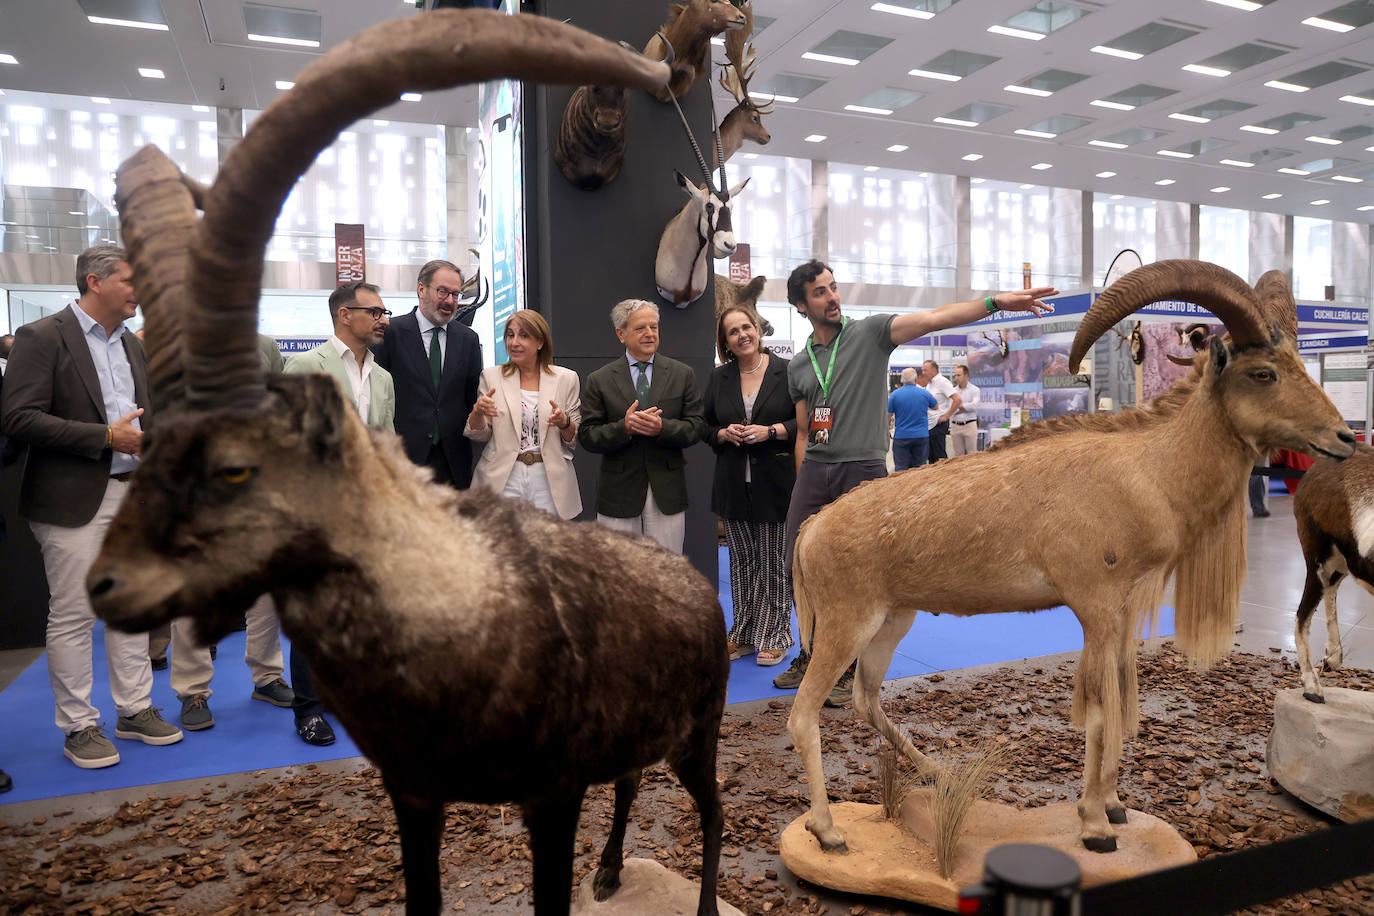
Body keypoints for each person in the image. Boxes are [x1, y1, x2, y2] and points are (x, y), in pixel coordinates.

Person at [774, 260, 1056, 705]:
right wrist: (801, 478)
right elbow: (806, 430)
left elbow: (934, 317)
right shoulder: (799, 367)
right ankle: (812, 654)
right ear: (800, 305)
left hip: (862, 471)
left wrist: (995, 303)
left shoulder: (869, 334)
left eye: (833, 287)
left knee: (867, 573)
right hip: (814, 471)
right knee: (798, 565)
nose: (831, 297)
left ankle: (849, 666)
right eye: (820, 293)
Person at [0, 245, 183, 768]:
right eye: (131, 280)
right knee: (76, 614)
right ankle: (79, 726)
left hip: (134, 495)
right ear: (95, 281)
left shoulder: (135, 347)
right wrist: (106, 437)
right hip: (72, 498)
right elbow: (18, 417)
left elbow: (146, 419)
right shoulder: (42, 336)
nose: (141, 291)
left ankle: (135, 710)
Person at [279, 281, 396, 746]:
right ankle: (308, 708)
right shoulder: (306, 367)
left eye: (385, 311)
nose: (384, 318)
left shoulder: (383, 378)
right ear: (345, 315)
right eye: (376, 311)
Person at [703, 306, 797, 666]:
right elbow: (703, 426)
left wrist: (770, 431)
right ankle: (743, 632)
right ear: (725, 342)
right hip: (732, 483)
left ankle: (775, 634)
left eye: (746, 327)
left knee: (773, 561)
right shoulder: (719, 378)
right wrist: (723, 433)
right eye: (732, 331)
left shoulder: (786, 372)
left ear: (758, 331)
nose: (742, 334)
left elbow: (804, 422)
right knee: (742, 563)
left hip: (776, 484)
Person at [579, 299, 706, 553]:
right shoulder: (600, 380)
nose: (650, 333)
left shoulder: (682, 374)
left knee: (667, 574)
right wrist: (623, 428)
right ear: (621, 334)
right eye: (640, 328)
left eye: (654, 327)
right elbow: (587, 435)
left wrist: (662, 428)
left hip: (666, 492)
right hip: (618, 494)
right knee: (620, 575)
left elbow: (697, 426)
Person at [373, 259, 482, 489]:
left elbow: (472, 399)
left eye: (456, 294)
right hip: (402, 461)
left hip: (453, 463)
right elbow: (378, 398)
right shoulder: (390, 334)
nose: (450, 301)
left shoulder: (468, 340)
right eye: (443, 292)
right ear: (421, 289)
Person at [464, 310, 582, 518]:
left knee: (548, 545)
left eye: (523, 335)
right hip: (503, 476)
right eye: (510, 335)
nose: (514, 342)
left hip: (548, 478)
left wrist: (564, 422)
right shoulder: (491, 377)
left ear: (540, 342)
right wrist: (478, 413)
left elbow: (572, 439)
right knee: (502, 546)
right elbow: (479, 435)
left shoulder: (566, 378)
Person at [887, 368, 936, 471]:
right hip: (921, 435)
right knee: (920, 468)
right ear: (915, 379)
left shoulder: (894, 395)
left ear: (901, 380)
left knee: (900, 468)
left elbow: (888, 415)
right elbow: (935, 406)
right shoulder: (924, 393)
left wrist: (886, 430)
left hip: (901, 436)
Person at [922, 359, 957, 462]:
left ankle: (945, 477)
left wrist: (947, 416)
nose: (923, 373)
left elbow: (957, 399)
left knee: (939, 456)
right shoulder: (929, 384)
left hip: (939, 423)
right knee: (931, 456)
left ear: (934, 371)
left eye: (925, 370)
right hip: (930, 424)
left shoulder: (943, 382)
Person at [948, 364, 982, 457]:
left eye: (959, 375)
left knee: (972, 455)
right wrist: (965, 407)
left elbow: (974, 405)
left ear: (966, 375)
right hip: (955, 426)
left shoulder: (975, 390)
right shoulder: (953, 391)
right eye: (955, 375)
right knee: (958, 456)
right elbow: (950, 409)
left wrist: (958, 406)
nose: (956, 378)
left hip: (970, 425)